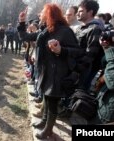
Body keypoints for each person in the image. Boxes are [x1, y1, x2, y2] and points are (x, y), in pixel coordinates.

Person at [18, 3, 80, 139]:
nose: (40, 15)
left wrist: (61, 50)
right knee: (46, 98)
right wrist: (21, 22)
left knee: (52, 103)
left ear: (50, 15)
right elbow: (25, 37)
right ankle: (44, 121)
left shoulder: (65, 31)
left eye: (43, 13)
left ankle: (48, 131)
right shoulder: (45, 30)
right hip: (45, 72)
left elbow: (78, 51)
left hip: (57, 74)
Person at [75, 0, 104, 90]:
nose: (77, 14)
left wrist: (76, 69)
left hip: (82, 72)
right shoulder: (80, 27)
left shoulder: (95, 29)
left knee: (78, 95)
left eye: (81, 11)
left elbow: (90, 54)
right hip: (74, 67)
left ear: (90, 12)